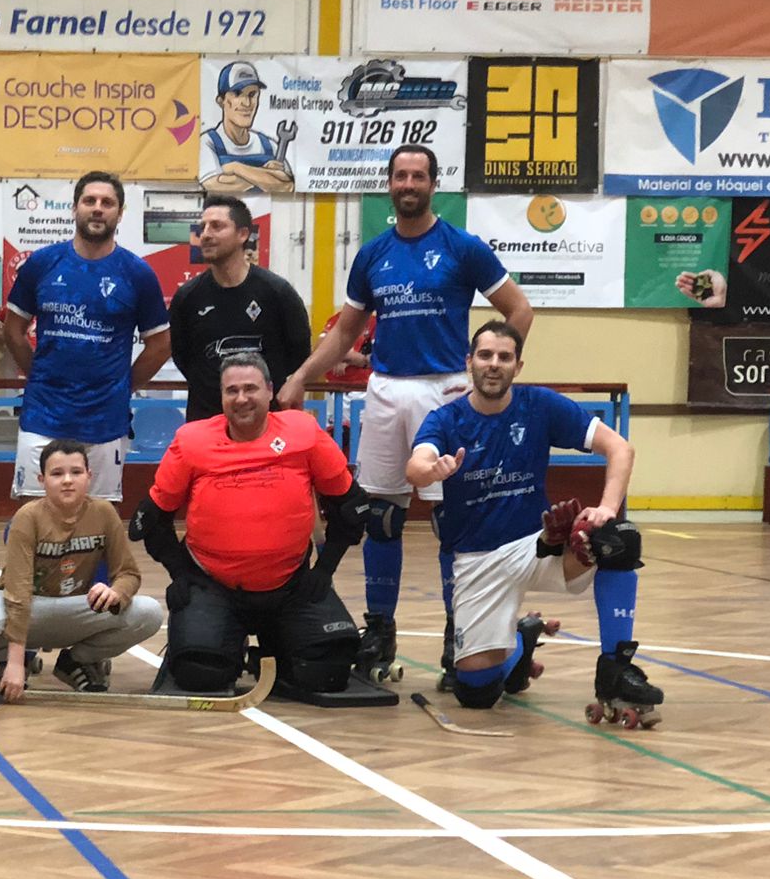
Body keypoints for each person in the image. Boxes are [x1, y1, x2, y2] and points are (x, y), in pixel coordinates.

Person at [281, 143, 534, 683]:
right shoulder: (373, 254)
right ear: (390, 184)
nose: (409, 184)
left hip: (444, 391)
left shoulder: (463, 247)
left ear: (433, 184)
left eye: (419, 176)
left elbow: (519, 309)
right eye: (401, 176)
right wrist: (301, 376)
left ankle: (459, 631)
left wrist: (489, 368)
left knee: (451, 519)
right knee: (381, 517)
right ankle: (380, 630)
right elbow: (345, 334)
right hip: (385, 390)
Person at [408, 321, 663, 725]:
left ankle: (616, 669)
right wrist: (431, 470)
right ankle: (522, 640)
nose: (494, 364)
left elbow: (620, 448)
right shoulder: (446, 420)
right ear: (469, 362)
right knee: (476, 693)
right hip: (477, 559)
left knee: (618, 539)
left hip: (539, 545)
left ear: (518, 365)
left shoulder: (539, 405)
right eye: (485, 355)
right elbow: (416, 465)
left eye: (504, 357)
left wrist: (607, 508)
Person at [132, 354, 367, 696]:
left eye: (250, 388)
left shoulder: (303, 432)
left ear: (270, 391)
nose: (241, 398)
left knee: (328, 672)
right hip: (213, 583)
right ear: (221, 396)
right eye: (232, 391)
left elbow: (350, 506)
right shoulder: (192, 441)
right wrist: (180, 573)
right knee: (200, 674)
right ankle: (227, 645)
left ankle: (274, 648)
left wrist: (324, 569)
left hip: (291, 584)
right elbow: (152, 519)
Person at [0, 171, 170, 505]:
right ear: (75, 207)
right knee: (34, 514)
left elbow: (161, 344)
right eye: (89, 200)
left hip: (105, 421)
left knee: (99, 520)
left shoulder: (137, 273)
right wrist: (38, 375)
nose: (97, 208)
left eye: (107, 202)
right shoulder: (42, 263)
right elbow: (13, 330)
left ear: (120, 213)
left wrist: (122, 386)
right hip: (43, 415)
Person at [0, 439, 163, 700]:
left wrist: (116, 592)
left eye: (76, 472)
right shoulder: (28, 517)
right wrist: (15, 661)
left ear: (89, 476)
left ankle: (76, 661)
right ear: (41, 480)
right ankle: (17, 660)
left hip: (76, 609)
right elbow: (18, 592)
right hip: (32, 608)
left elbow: (128, 573)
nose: (67, 480)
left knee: (149, 612)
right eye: (57, 473)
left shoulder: (104, 513)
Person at [168, 195, 313, 422]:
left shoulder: (277, 293)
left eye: (216, 226)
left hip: (266, 423)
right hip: (206, 421)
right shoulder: (187, 297)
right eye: (202, 227)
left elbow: (299, 353)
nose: (205, 234)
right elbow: (182, 356)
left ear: (243, 234)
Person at [198, 62, 296, 195]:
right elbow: (215, 185)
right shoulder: (208, 142)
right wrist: (267, 175)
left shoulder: (269, 145)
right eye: (237, 94)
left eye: (252, 94)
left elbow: (286, 186)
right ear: (221, 101)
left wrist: (235, 167)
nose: (247, 103)